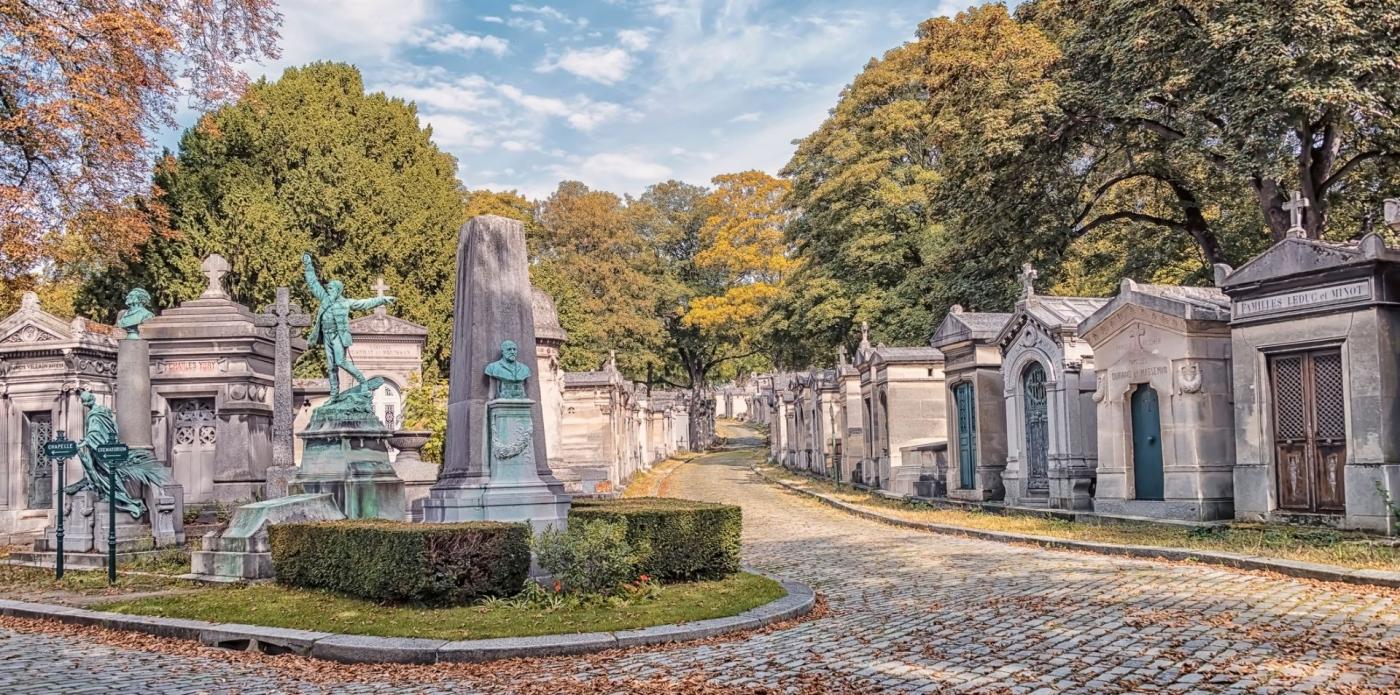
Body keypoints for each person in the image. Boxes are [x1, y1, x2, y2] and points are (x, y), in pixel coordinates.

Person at [302, 253, 395, 398]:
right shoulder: (324, 299)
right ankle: (334, 395)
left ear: (338, 290)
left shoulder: (346, 303)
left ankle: (362, 381)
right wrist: (308, 265)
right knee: (331, 367)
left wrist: (381, 299)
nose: (328, 290)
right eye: (329, 288)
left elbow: (365, 303)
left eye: (332, 288)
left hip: (338, 336)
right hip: (326, 335)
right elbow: (313, 283)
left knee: (340, 361)